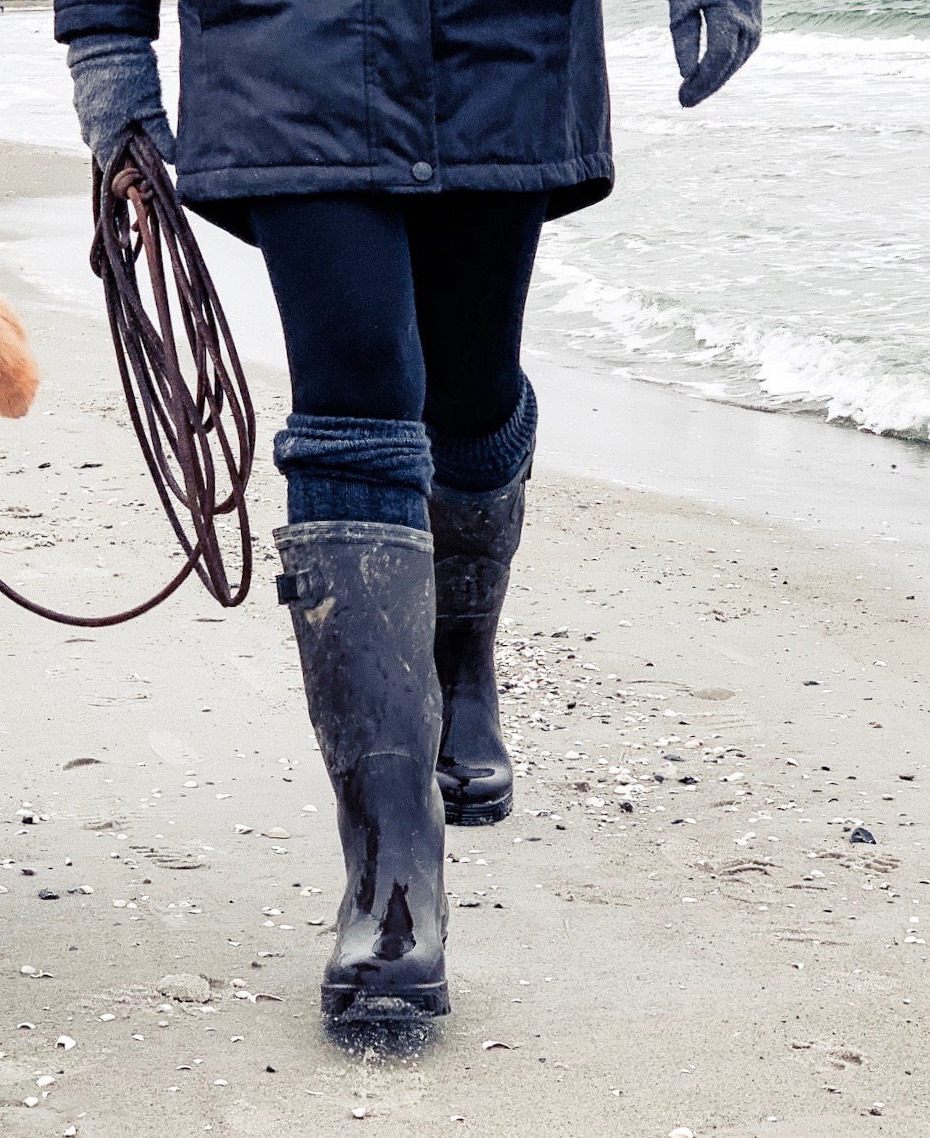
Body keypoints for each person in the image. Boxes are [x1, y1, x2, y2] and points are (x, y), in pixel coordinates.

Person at [60, 0, 760, 1023]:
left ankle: (460, 661)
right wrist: (106, 46)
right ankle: (392, 871)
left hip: (502, 43)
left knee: (471, 395)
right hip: (286, 43)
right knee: (354, 397)